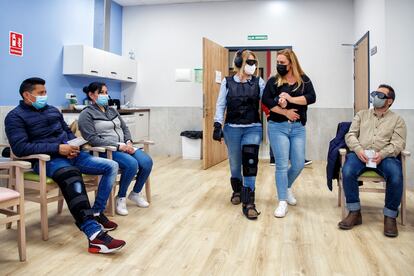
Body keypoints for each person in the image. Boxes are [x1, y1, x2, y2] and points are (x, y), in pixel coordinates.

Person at [5, 78, 125, 253]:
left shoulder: (53, 111)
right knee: (72, 175)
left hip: (72, 155)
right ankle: (94, 235)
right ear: (27, 95)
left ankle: (96, 212)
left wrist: (74, 145)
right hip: (48, 160)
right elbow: (20, 147)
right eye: (40, 93)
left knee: (111, 166)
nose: (44, 96)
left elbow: (68, 133)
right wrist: (58, 148)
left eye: (45, 92)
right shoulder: (15, 117)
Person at [338, 84, 406, 237]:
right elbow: (350, 135)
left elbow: (398, 143)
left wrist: (382, 154)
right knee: (347, 171)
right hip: (361, 154)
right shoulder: (361, 115)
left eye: (380, 95)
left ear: (389, 101)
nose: (375, 97)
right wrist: (358, 150)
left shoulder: (397, 120)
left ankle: (390, 217)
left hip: (384, 157)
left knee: (396, 175)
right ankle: (355, 212)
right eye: (375, 93)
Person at [79, 82, 153, 216]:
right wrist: (119, 145)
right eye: (101, 92)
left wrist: (128, 142)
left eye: (106, 92)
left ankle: (135, 193)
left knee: (147, 162)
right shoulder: (86, 114)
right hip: (105, 150)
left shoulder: (111, 110)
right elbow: (92, 138)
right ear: (91, 95)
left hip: (124, 146)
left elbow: (124, 128)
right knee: (131, 164)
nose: (105, 95)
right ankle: (121, 197)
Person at [262, 49, 316, 218]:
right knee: (282, 164)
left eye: (282, 63)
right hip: (277, 127)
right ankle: (282, 201)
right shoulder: (273, 81)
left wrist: (290, 99)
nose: (279, 65)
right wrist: (285, 111)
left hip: (298, 128)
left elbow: (311, 98)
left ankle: (286, 187)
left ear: (291, 63)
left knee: (299, 163)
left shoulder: (303, 80)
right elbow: (266, 101)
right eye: (278, 62)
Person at [213, 49, 265, 220]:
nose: (253, 65)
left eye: (254, 62)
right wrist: (217, 124)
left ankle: (249, 202)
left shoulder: (259, 82)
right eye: (249, 62)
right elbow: (221, 105)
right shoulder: (227, 82)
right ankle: (237, 190)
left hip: (253, 127)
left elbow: (267, 102)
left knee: (250, 162)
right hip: (232, 128)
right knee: (235, 164)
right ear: (238, 63)